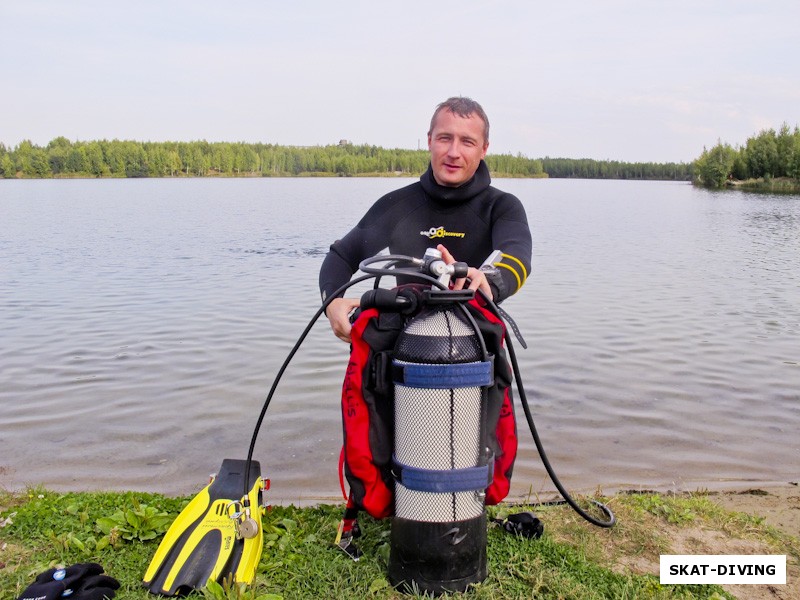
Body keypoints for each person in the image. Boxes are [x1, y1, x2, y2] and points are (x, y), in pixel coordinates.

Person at [319, 96, 532, 341]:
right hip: (402, 350)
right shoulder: (397, 205)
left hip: (474, 353)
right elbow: (342, 256)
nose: (454, 152)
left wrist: (491, 280)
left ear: (484, 149)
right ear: (430, 140)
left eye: (467, 142)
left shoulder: (502, 207)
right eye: (445, 138)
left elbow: (518, 259)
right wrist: (332, 303)